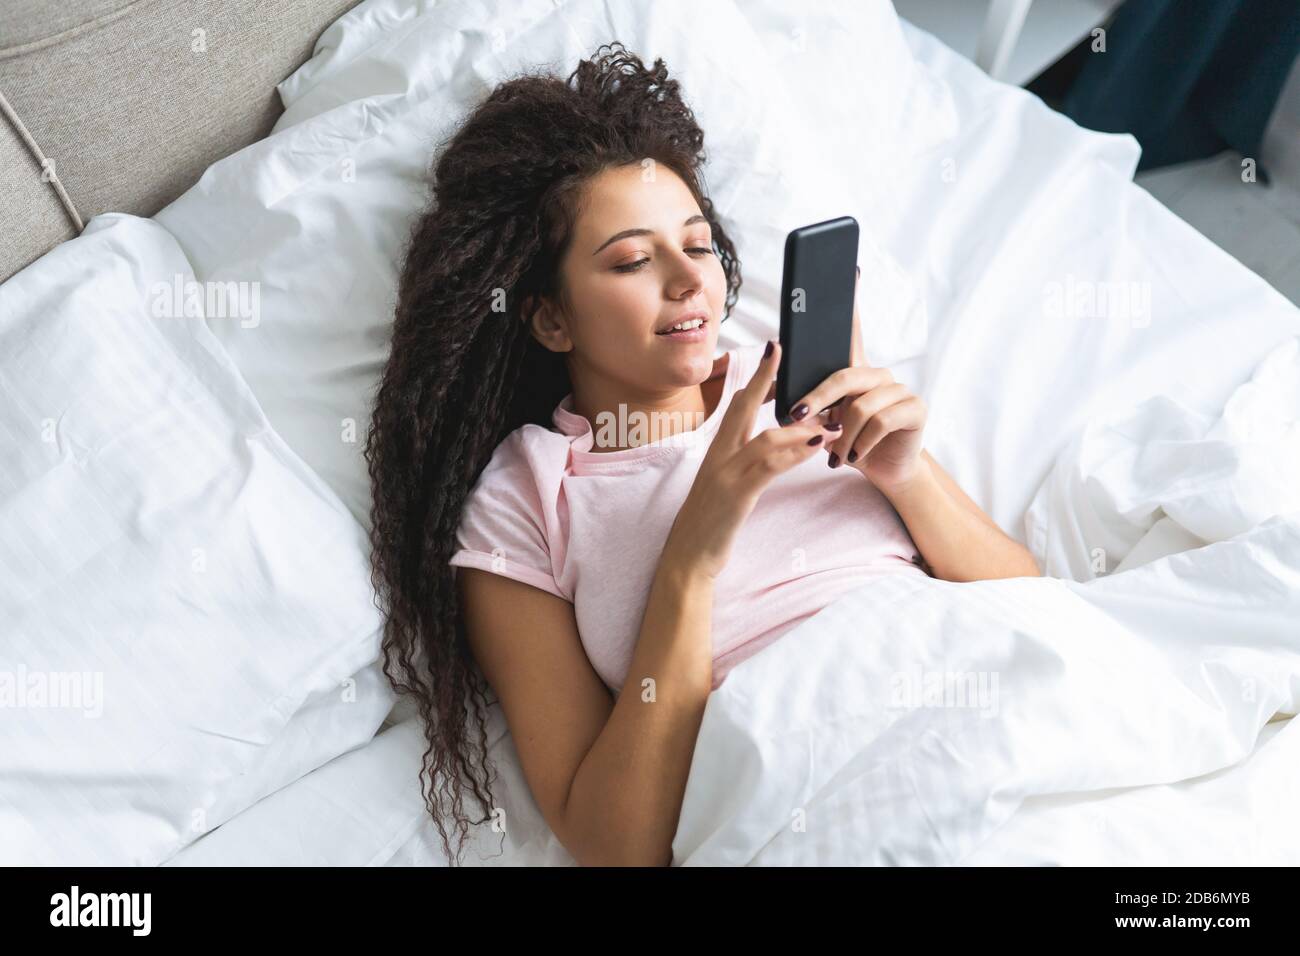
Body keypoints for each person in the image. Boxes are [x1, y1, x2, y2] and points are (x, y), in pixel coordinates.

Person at [365, 42, 1040, 868]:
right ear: (550, 320)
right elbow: (614, 844)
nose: (689, 280)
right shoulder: (525, 499)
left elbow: (1035, 612)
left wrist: (904, 474)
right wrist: (689, 559)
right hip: (816, 778)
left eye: (697, 243)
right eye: (633, 260)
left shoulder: (797, 382)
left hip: (984, 701)